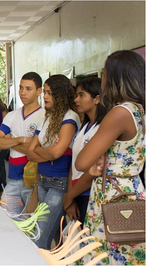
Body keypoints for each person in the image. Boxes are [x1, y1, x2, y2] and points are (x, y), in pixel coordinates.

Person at [75, 50, 145, 265]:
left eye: (105, 73)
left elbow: (82, 162)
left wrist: (97, 164)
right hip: (131, 188)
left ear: (115, 77)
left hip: (114, 194)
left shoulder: (120, 112)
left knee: (106, 255)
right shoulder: (139, 110)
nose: (102, 79)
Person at [27, 74, 80, 250]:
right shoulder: (46, 117)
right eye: (46, 92)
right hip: (42, 180)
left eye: (50, 93)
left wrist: (48, 152)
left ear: (61, 94)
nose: (46, 96)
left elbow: (57, 152)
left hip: (59, 183)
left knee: (39, 237)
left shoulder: (70, 117)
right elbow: (30, 152)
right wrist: (49, 153)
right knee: (54, 236)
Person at [0, 72, 45, 213]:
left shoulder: (44, 116)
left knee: (30, 224)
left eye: (28, 89)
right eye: (21, 88)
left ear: (39, 91)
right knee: (7, 219)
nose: (23, 92)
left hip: (32, 180)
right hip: (13, 179)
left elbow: (36, 149)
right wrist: (20, 139)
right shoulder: (12, 115)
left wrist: (9, 140)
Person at [62, 77, 107, 225]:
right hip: (76, 192)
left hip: (89, 193)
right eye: (77, 95)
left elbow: (95, 170)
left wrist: (69, 196)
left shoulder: (102, 128)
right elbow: (73, 164)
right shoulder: (84, 126)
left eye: (81, 95)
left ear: (97, 99)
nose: (76, 99)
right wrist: (71, 197)